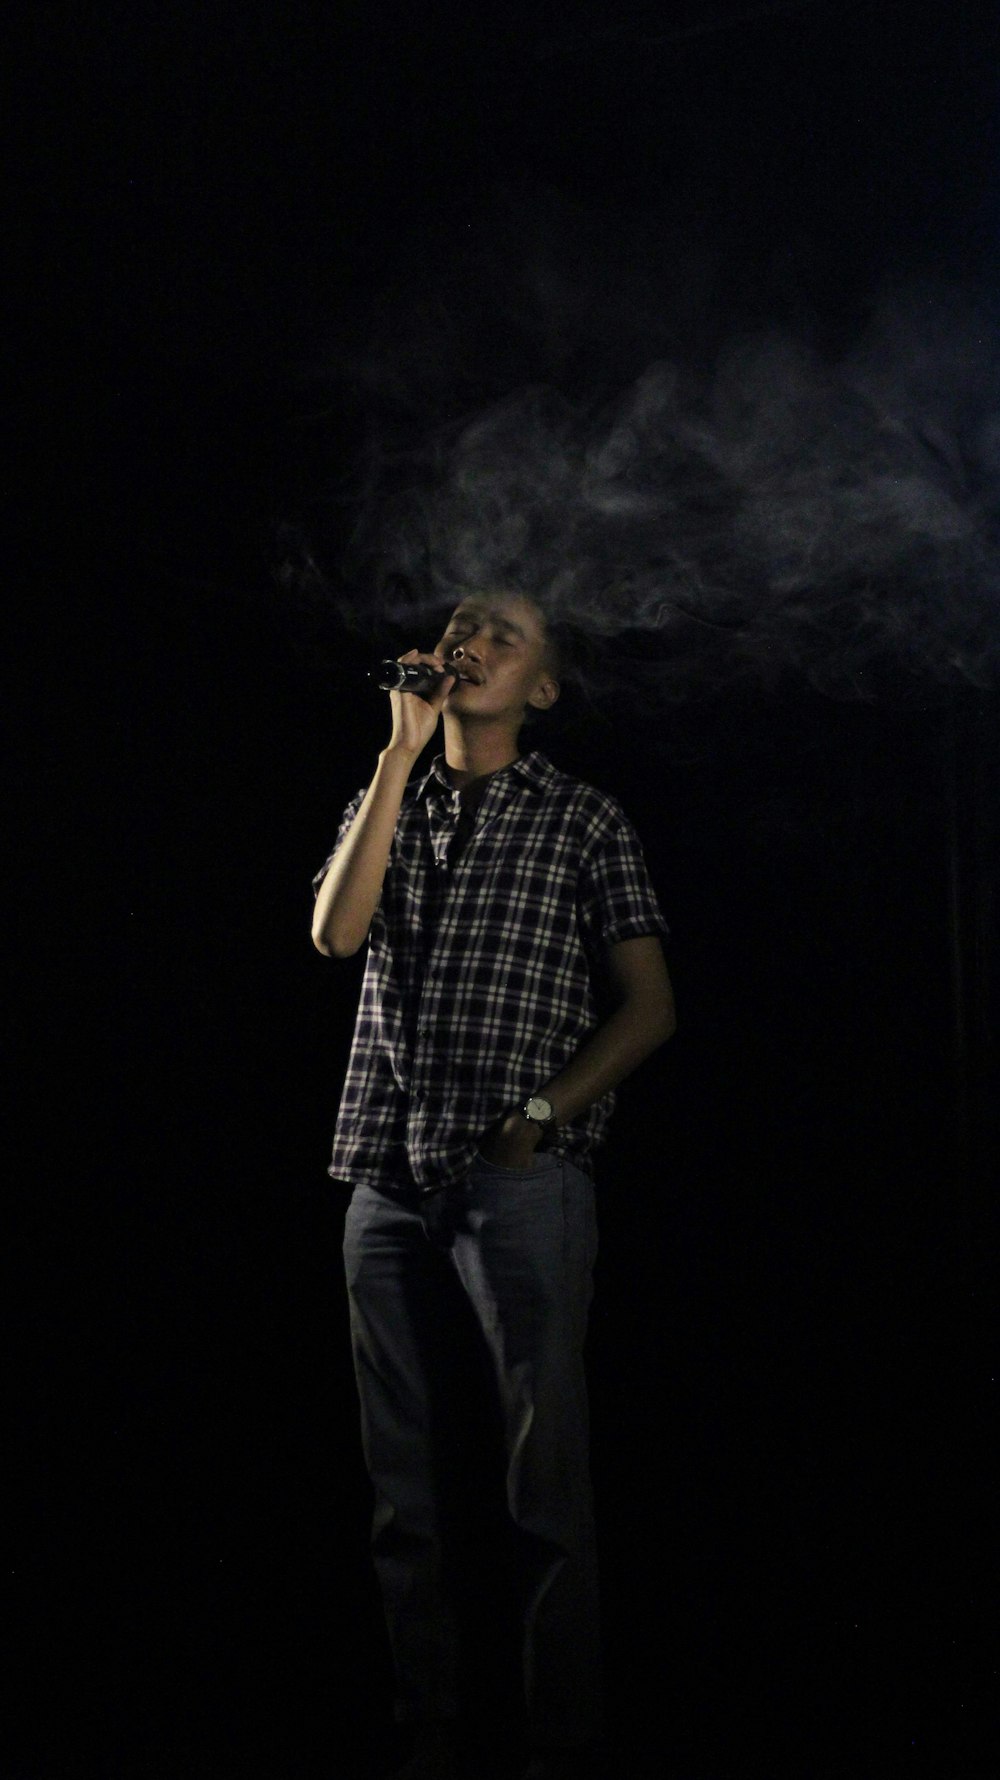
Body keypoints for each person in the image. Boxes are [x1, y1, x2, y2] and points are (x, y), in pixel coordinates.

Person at [311, 592, 676, 1780]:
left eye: (504, 632)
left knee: (541, 1485)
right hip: (383, 1171)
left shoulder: (582, 819)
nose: (471, 639)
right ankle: (426, 1728)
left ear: (543, 689)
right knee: (400, 1488)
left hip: (517, 1179)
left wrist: (536, 1119)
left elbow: (651, 1005)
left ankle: (557, 1740)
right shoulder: (392, 796)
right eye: (463, 621)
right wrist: (396, 751)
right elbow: (333, 933)